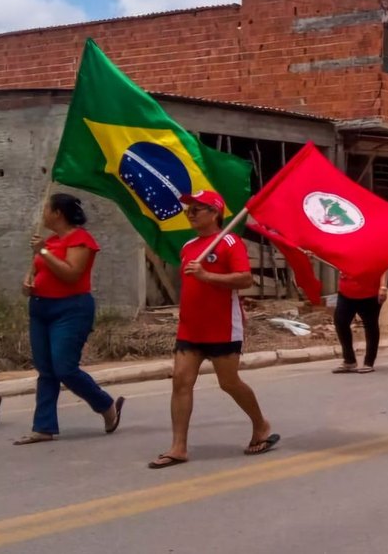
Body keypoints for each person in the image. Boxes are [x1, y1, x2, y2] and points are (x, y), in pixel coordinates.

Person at [149, 191, 275, 468]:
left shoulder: (230, 242)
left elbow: (245, 279)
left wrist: (207, 275)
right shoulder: (188, 246)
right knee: (181, 381)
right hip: (190, 327)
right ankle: (178, 446)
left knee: (228, 383)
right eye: (189, 209)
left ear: (215, 212)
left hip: (222, 327)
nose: (190, 213)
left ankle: (261, 425)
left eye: (197, 209)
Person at [14, 193, 124, 446]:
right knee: (46, 371)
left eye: (46, 209)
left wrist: (42, 250)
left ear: (58, 214)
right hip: (41, 308)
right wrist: (28, 284)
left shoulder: (80, 240)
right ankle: (43, 427)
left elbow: (71, 274)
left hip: (71, 309)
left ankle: (106, 405)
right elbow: (35, 276)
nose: (43, 214)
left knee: (64, 367)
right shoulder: (49, 242)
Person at [331, 268, 388, 373]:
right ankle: (349, 360)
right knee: (340, 321)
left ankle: (369, 362)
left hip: (369, 292)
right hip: (346, 291)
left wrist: (383, 286)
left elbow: (384, 264)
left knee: (370, 324)